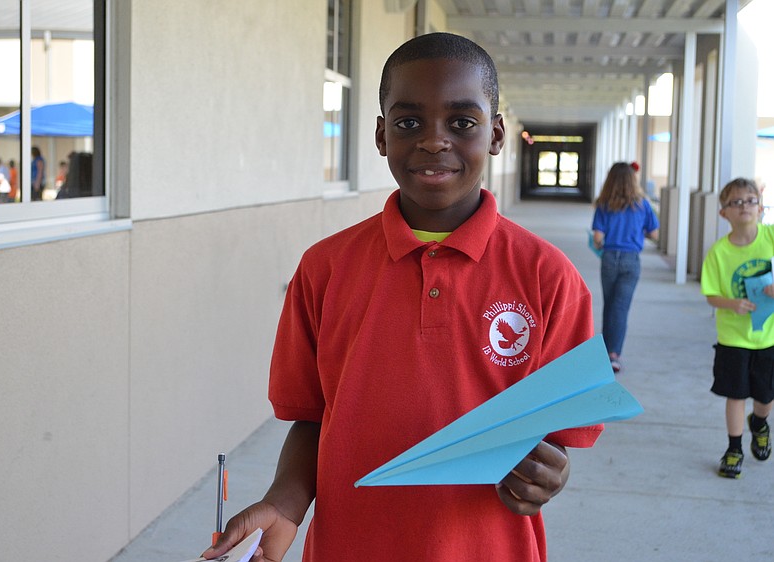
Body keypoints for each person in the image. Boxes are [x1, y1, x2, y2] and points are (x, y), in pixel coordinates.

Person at [202, 32, 603, 562]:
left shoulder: (550, 278)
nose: (434, 141)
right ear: (381, 135)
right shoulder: (324, 269)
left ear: (497, 134)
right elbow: (313, 418)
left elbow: (556, 438)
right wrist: (285, 504)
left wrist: (549, 474)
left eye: (462, 123)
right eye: (409, 122)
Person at [700, 177, 773, 479]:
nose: (744, 206)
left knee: (765, 396)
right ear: (724, 213)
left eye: (750, 200)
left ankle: (759, 423)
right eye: (736, 202)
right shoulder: (719, 252)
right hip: (732, 338)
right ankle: (734, 448)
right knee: (735, 394)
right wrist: (732, 304)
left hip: (768, 336)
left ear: (761, 207)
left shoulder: (770, 239)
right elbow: (711, 294)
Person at [590, 162, 659, 373]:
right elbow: (655, 235)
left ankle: (607, 350)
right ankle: (613, 354)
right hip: (631, 260)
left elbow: (598, 238)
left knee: (610, 305)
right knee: (620, 308)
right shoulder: (643, 205)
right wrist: (639, 233)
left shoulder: (604, 204)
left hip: (609, 259)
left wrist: (603, 243)